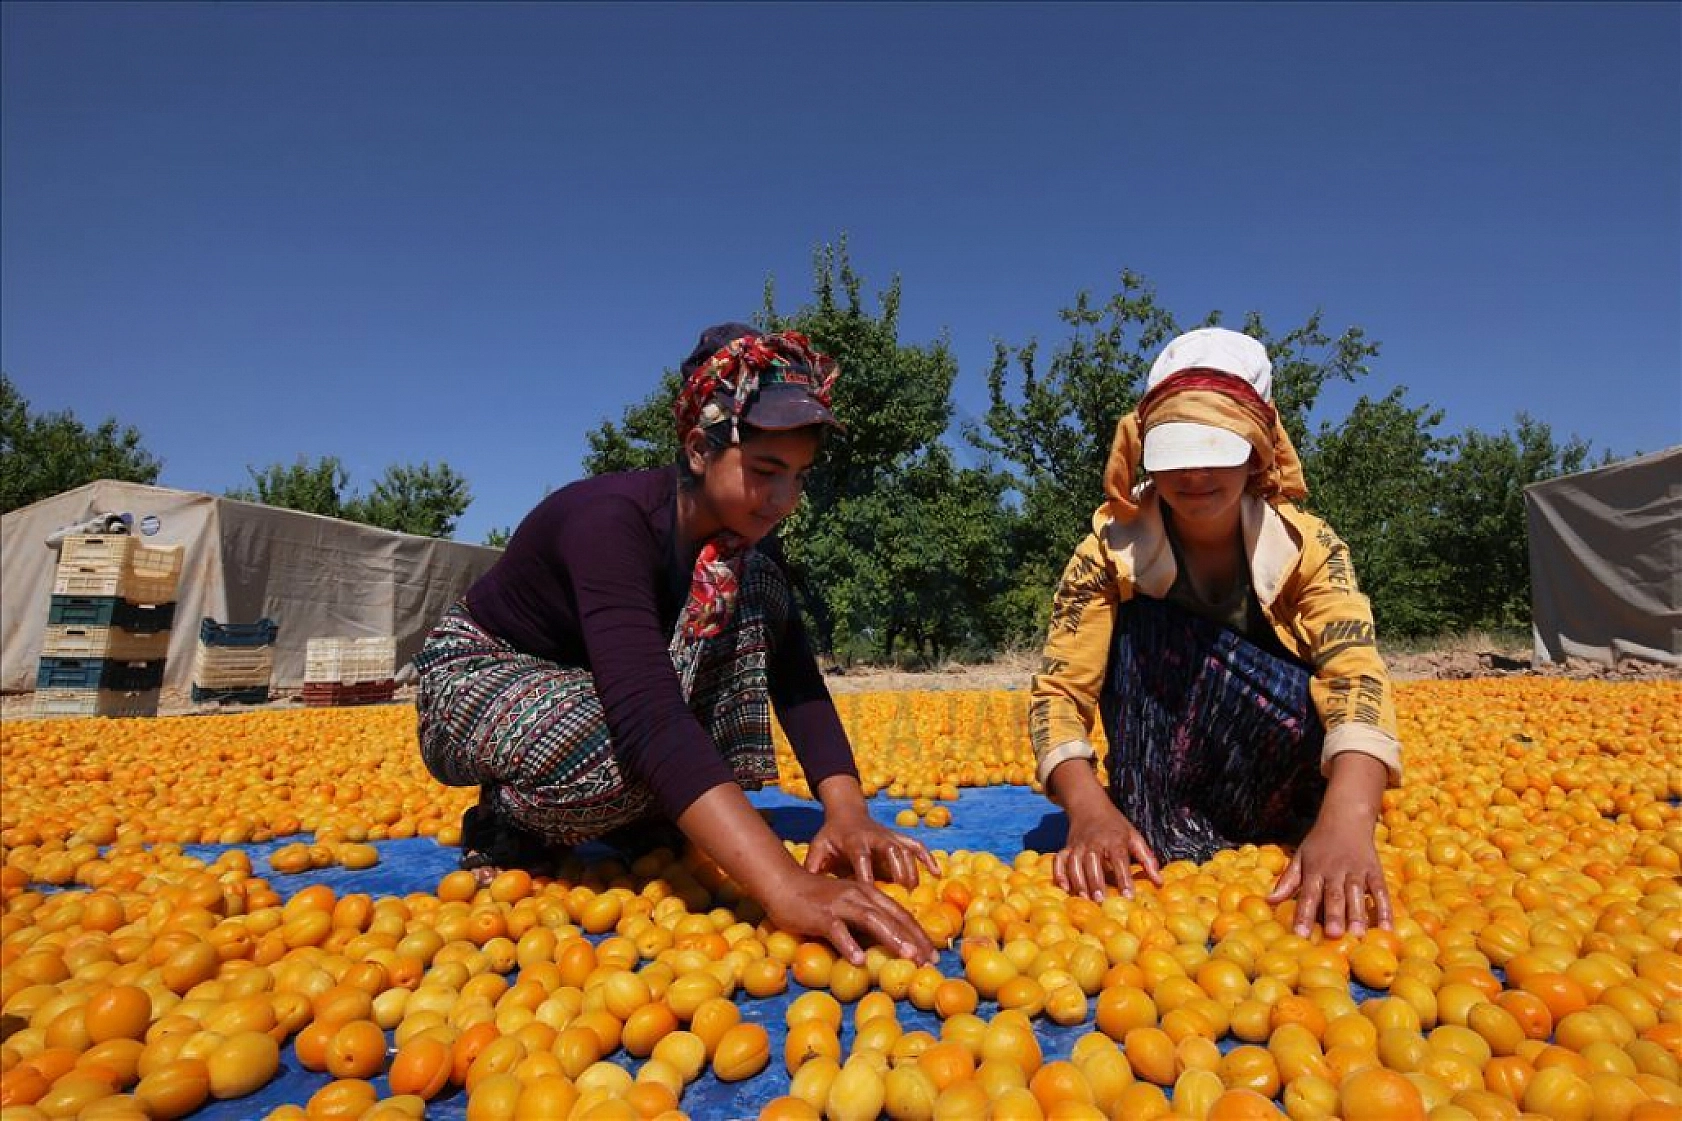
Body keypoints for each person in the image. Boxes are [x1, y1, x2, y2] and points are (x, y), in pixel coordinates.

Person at [415, 323, 937, 966]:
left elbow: (797, 681)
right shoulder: (610, 522)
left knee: (757, 590)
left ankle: (635, 815)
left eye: (799, 476)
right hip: (481, 673)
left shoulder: (746, 551)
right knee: (610, 751)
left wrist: (847, 810)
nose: (784, 500)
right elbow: (647, 716)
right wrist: (785, 884)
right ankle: (510, 823)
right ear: (698, 448)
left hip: (597, 686)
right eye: (766, 470)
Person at [1029, 327, 1402, 939]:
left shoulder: (1309, 548)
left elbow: (1355, 675)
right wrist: (1089, 811)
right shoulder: (1108, 552)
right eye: (1177, 452)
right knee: (1144, 627)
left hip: (1284, 772)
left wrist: (1349, 820)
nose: (1195, 473)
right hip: (1165, 780)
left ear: (1258, 451)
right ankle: (1167, 835)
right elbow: (1059, 692)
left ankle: (1295, 831)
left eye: (1216, 449)